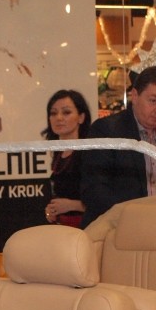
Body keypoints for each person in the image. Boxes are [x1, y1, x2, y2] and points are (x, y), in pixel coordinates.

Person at [79, 65, 156, 228]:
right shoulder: (107, 129)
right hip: (118, 226)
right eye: (153, 100)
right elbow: (93, 190)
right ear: (135, 96)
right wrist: (137, 216)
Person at [42, 89, 92, 227]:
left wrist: (72, 205)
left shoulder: (89, 152)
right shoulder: (58, 154)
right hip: (62, 228)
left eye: (66, 112)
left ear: (81, 117)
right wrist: (51, 211)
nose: (58, 118)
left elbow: (103, 201)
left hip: (86, 229)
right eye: (53, 113)